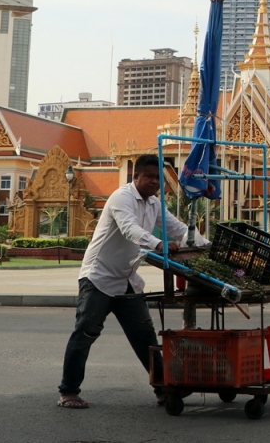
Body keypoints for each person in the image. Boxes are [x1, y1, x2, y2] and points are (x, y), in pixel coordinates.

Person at [56, 154, 207, 410]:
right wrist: (159, 244)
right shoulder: (121, 198)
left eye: (157, 178)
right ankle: (68, 391)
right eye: (149, 177)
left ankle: (163, 389)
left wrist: (205, 246)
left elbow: (178, 228)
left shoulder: (154, 203)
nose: (154, 183)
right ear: (135, 176)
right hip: (99, 277)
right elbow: (130, 229)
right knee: (85, 334)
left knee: (144, 336)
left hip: (127, 279)